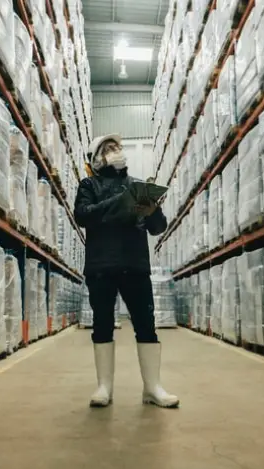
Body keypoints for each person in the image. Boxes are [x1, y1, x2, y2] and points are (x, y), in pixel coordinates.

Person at [74, 133, 179, 409]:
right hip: (101, 266)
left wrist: (153, 209)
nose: (116, 152)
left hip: (135, 265)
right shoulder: (89, 185)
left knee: (146, 324)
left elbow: (158, 228)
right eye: (109, 148)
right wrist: (120, 202)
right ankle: (104, 387)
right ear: (96, 158)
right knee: (103, 323)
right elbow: (82, 215)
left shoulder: (137, 186)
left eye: (118, 148)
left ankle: (152, 387)